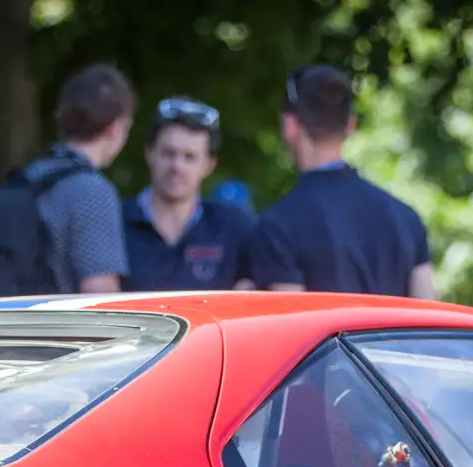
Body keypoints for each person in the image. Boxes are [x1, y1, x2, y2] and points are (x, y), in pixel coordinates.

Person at [0, 64, 133, 297]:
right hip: (58, 330)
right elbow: (99, 291)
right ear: (114, 128)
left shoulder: (31, 175)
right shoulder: (92, 191)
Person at [249, 64, 435, 299]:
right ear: (350, 125)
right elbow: (428, 320)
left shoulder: (278, 226)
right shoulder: (407, 219)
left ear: (290, 126)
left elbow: (289, 328)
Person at [121, 97, 256, 291]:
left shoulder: (235, 227)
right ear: (149, 152)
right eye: (169, 153)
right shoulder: (115, 222)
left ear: (208, 165)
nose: (177, 166)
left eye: (190, 157)